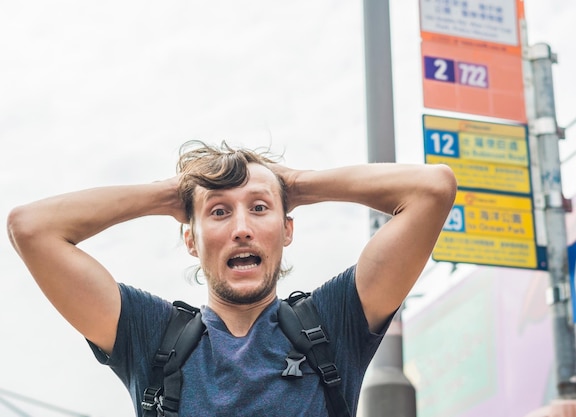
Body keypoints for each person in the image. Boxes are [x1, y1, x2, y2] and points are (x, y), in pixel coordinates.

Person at [7, 140, 456, 416]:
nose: (241, 227)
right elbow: (32, 228)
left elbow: (433, 189)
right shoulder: (149, 336)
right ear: (191, 241)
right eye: (219, 212)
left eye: (259, 208)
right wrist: (176, 192)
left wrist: (298, 184)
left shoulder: (333, 324)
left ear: (287, 229)